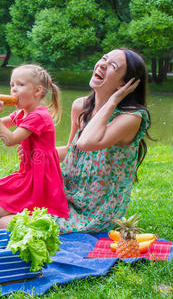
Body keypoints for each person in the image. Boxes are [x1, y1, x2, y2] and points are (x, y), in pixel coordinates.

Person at [56, 48, 151, 233]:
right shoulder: (80, 106)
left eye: (112, 66)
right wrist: (36, 153)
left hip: (96, 213)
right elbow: (73, 150)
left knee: (5, 221)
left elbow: (86, 143)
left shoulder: (131, 117)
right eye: (103, 58)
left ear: (124, 83)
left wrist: (113, 100)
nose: (102, 64)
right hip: (67, 196)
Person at [0, 64, 69, 230]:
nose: (13, 90)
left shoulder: (39, 116)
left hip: (40, 178)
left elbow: (10, 139)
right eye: (11, 85)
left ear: (37, 91)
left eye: (20, 85)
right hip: (28, 172)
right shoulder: (22, 112)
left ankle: (0, 222)